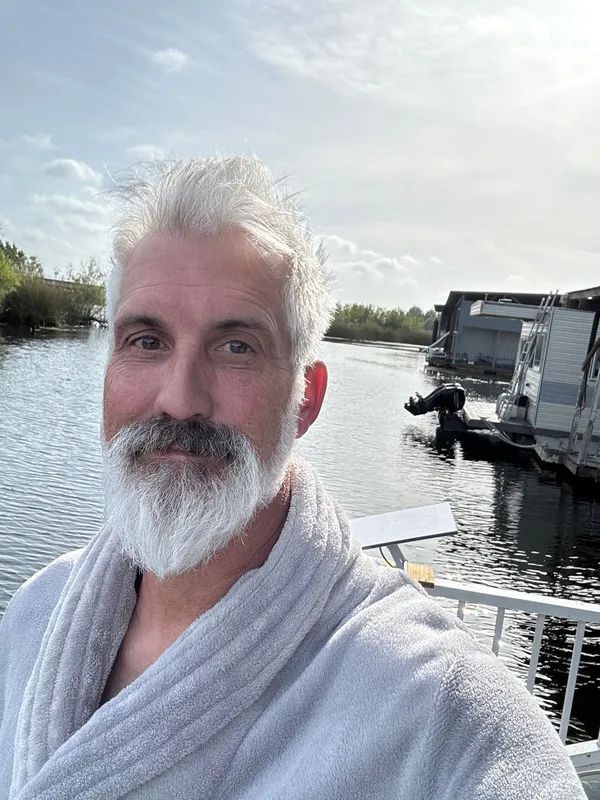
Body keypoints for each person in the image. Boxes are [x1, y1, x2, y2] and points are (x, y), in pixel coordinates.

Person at [0, 157, 585, 800]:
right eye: (146, 341)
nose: (180, 398)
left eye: (236, 347)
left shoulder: (446, 719)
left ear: (306, 397)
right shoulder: (34, 612)